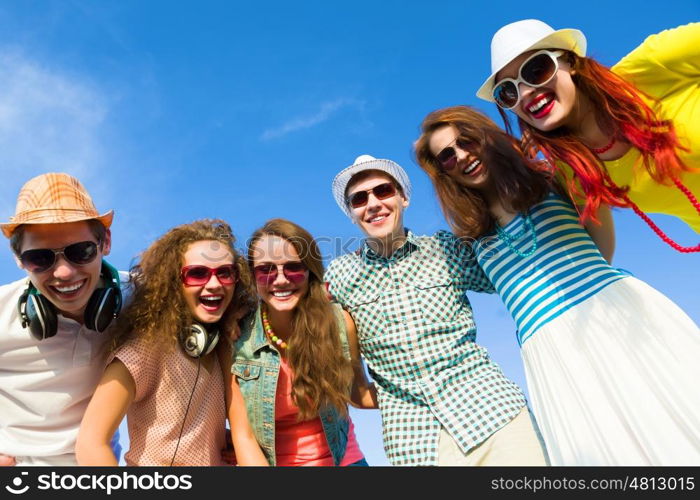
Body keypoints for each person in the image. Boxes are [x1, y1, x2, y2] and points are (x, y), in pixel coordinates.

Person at [415, 104, 700, 465]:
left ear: (486, 135)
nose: (462, 156)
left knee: (670, 418)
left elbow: (601, 242)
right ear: (443, 172)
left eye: (466, 141)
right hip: (550, 351)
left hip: (609, 314)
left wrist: (585, 302)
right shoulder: (471, 237)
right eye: (447, 157)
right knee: (605, 451)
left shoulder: (549, 176)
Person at [324, 155, 548, 466]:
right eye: (359, 199)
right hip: (415, 445)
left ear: (403, 198)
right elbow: (330, 349)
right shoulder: (339, 276)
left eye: (383, 191)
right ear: (352, 214)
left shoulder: (446, 248)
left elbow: (512, 273)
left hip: (495, 415)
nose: (373, 203)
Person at [476, 19, 699, 252]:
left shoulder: (654, 64)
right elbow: (596, 251)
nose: (525, 92)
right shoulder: (573, 170)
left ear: (571, 61)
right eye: (508, 92)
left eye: (536, 69)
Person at [76, 219, 267, 466]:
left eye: (225, 273)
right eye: (197, 274)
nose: (214, 284)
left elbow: (244, 437)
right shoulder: (142, 351)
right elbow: (90, 444)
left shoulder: (222, 346)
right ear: (173, 283)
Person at [0, 173, 125, 466]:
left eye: (80, 252)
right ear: (19, 259)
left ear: (105, 242)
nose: (64, 273)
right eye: (40, 258)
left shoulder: (145, 298)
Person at [232, 218, 374, 466]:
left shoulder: (339, 324)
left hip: (344, 461)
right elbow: (243, 435)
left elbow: (357, 393)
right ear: (253, 277)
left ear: (310, 272)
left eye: (293, 267)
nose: (280, 279)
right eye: (265, 270)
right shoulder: (237, 340)